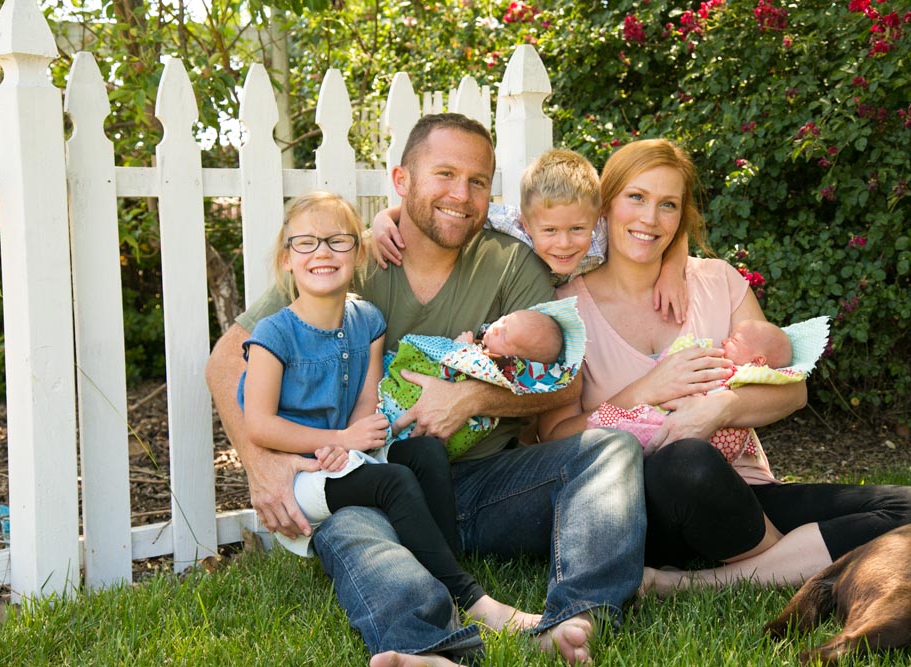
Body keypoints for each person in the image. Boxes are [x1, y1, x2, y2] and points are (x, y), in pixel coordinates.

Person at [205, 113, 645, 667]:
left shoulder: (511, 262)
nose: (461, 195)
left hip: (482, 486)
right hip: (373, 481)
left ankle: (577, 617)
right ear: (402, 180)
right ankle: (428, 648)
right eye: (444, 174)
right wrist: (259, 461)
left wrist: (473, 398)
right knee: (348, 523)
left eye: (478, 181)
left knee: (611, 448)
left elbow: (565, 387)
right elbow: (227, 361)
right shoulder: (350, 259)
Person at [538, 138, 911, 596]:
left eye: (668, 204)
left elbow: (792, 391)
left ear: (681, 216)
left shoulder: (717, 281)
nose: (650, 219)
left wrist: (717, 410)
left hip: (746, 494)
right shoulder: (565, 309)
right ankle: (795, 560)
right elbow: (552, 436)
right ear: (606, 204)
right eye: (636, 197)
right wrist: (645, 390)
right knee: (687, 461)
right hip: (646, 504)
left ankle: (695, 584)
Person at [237, 192, 537, 631]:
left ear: (358, 253)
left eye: (337, 241)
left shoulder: (367, 321)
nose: (322, 252)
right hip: (298, 472)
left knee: (426, 452)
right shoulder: (273, 335)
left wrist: (357, 438)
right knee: (394, 480)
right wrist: (336, 443)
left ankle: (444, 569)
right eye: (305, 242)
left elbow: (365, 401)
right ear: (286, 258)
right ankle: (470, 599)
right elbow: (260, 425)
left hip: (346, 456)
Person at [372, 147, 692, 321]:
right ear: (527, 224)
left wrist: (672, 270)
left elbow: (666, 230)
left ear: (596, 218)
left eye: (577, 229)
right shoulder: (512, 222)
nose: (564, 243)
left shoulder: (605, 233)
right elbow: (456, 214)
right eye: (550, 230)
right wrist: (387, 217)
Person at [379, 300, 584, 460]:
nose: (495, 328)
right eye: (503, 320)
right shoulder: (488, 344)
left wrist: (460, 349)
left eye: (504, 336)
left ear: (514, 360)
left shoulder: (499, 369)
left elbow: (470, 367)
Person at [587, 318, 797, 460]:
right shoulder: (718, 362)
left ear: (758, 360)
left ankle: (614, 429)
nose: (724, 340)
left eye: (733, 340)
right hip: (686, 447)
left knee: (646, 428)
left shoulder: (748, 375)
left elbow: (795, 392)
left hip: (701, 448)